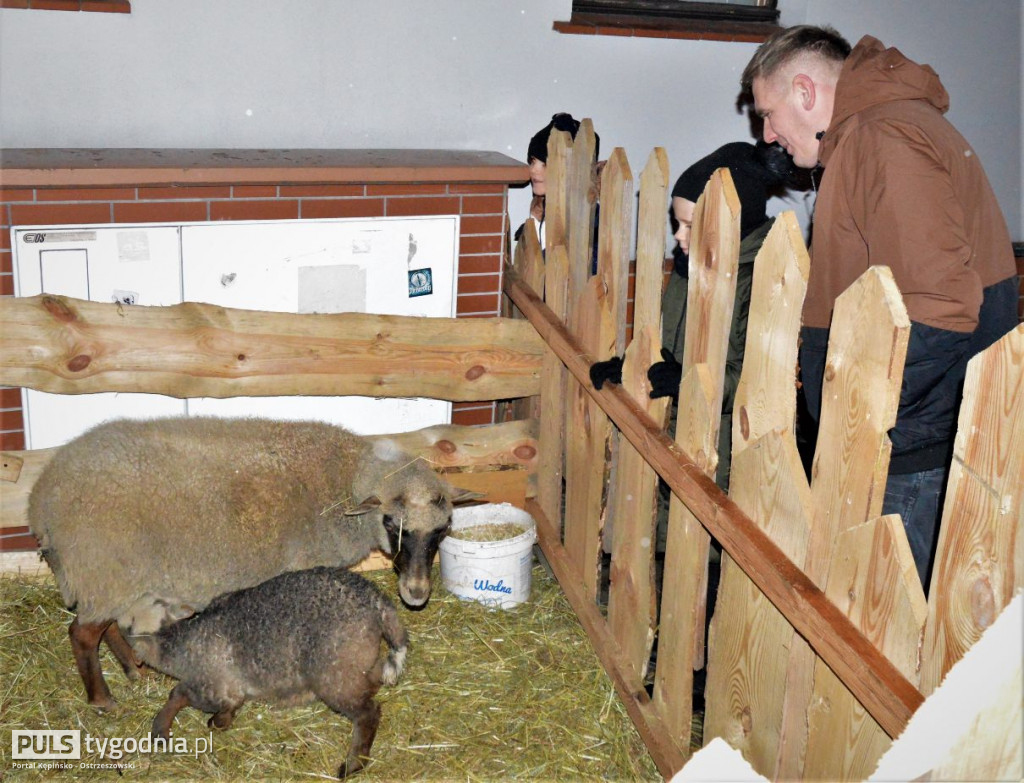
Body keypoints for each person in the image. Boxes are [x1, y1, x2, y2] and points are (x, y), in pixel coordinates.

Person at [741, 25, 1018, 587]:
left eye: (768, 114)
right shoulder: (873, 134)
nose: (768, 135)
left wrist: (858, 413)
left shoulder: (882, 138)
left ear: (805, 91)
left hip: (910, 456)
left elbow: (940, 310)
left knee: (881, 637)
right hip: (910, 442)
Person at [591, 140, 790, 494]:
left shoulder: (763, 281)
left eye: (690, 225)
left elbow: (759, 384)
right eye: (677, 224)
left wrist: (686, 382)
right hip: (681, 433)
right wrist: (629, 367)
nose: (678, 238)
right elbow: (669, 349)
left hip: (728, 453)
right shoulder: (688, 271)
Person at [515, 112, 600, 272]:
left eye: (545, 164)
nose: (533, 170)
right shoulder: (541, 209)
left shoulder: (590, 223)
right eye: (532, 161)